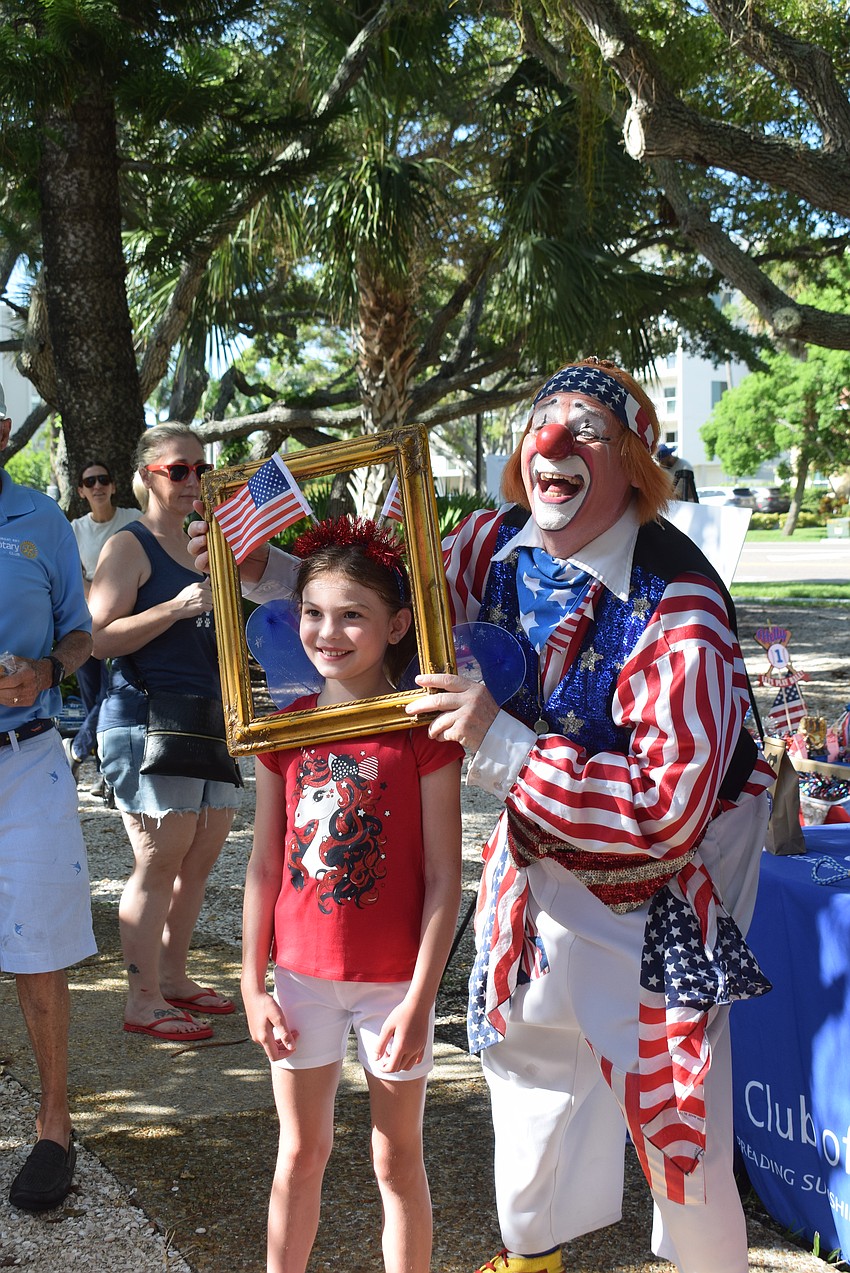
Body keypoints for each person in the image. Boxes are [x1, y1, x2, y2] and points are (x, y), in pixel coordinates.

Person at [191, 357, 775, 1273]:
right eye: (544, 423)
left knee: (678, 1115)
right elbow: (383, 605)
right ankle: (534, 1251)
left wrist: (500, 743)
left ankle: (705, 1263)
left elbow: (667, 814)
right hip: (539, 845)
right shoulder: (490, 543)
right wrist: (260, 563)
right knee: (529, 1054)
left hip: (665, 879)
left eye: (586, 429)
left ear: (632, 462)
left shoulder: (683, 610)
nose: (554, 441)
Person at [240, 515, 463, 1273]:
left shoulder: (422, 730)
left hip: (394, 985)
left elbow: (443, 878)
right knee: (299, 1153)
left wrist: (421, 998)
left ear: (397, 622)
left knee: (396, 1159)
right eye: (312, 612)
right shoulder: (285, 731)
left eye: (352, 614)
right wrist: (251, 984)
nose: (328, 631)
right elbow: (264, 868)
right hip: (300, 980)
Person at [89, 424, 240, 1042]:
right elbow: (95, 639)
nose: (194, 481)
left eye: (201, 469)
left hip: (208, 722)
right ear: (147, 476)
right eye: (179, 470)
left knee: (201, 855)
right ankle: (142, 997)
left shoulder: (208, 543)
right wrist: (175, 608)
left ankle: (173, 979)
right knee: (159, 859)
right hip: (147, 723)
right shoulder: (128, 546)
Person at [0, 381, 97, 1210]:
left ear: (2, 432)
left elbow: (80, 630)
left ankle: (55, 1121)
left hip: (27, 758)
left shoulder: (42, 522)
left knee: (38, 947)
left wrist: (47, 669)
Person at [63, 460, 141, 784]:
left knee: (110, 696)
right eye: (90, 481)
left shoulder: (133, 520)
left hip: (121, 623)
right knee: (92, 695)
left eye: (103, 479)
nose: (98, 486)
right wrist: (97, 596)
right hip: (82, 623)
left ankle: (77, 748)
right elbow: (70, 575)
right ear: (81, 491)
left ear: (113, 486)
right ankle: (102, 773)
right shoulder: (75, 529)